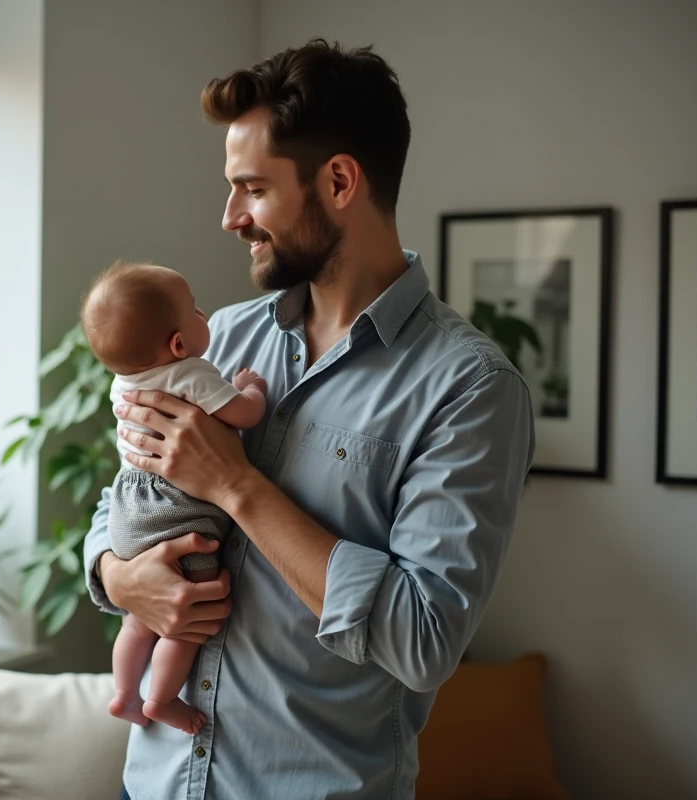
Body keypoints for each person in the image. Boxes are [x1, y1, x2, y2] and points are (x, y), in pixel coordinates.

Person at [83, 39, 535, 799]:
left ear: (338, 181)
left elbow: (424, 640)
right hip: (154, 785)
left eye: (251, 188)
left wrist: (236, 486)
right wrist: (120, 575)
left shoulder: (470, 389)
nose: (229, 217)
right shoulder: (217, 338)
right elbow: (119, 502)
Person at [80, 261, 268, 735]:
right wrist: (251, 388)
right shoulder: (190, 373)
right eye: (195, 311)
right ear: (178, 344)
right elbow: (243, 414)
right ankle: (161, 701)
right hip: (177, 514)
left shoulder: (122, 382)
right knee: (184, 624)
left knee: (138, 620)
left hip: (127, 512)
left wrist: (119, 576)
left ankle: (125, 694)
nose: (206, 314)